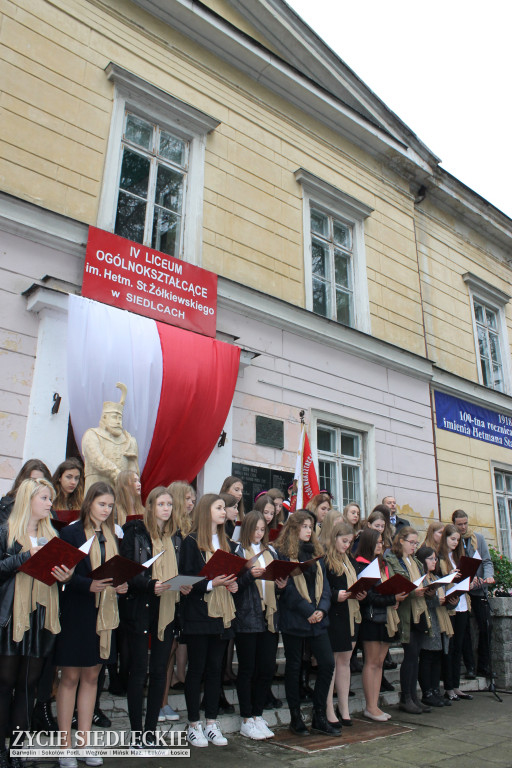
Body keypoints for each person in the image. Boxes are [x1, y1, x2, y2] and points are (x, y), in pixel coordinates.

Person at [0, 478, 72, 768]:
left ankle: (17, 750)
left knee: (29, 686)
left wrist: (64, 577)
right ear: (29, 499)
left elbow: (55, 575)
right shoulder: (6, 532)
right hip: (10, 617)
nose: (49, 504)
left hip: (41, 615)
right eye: (44, 498)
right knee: (4, 683)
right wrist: (25, 557)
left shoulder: (52, 535)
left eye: (50, 499)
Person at [55, 482, 128, 768]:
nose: (106, 510)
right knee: (70, 677)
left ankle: (84, 742)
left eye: (110, 505)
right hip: (78, 611)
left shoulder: (112, 535)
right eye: (102, 504)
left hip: (105, 613)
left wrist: (122, 585)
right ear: (89, 504)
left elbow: (117, 570)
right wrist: (89, 585)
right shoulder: (71, 532)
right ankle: (65, 746)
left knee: (93, 678)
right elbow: (63, 574)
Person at [120, 487, 192, 746]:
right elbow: (128, 571)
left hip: (168, 607)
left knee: (160, 671)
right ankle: (136, 732)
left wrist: (182, 585)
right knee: (139, 671)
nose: (166, 508)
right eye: (161, 503)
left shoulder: (176, 538)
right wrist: (150, 585)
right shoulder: (135, 532)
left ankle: (150, 732)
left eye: (170, 504)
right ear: (150, 506)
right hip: (141, 607)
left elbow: (181, 569)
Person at [179, 493, 238, 748]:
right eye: (219, 507)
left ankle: (211, 722)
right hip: (198, 614)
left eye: (224, 508)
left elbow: (233, 572)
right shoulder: (191, 542)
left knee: (215, 669)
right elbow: (185, 579)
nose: (224, 512)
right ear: (206, 511)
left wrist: (233, 584)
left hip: (221, 613)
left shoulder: (226, 542)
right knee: (197, 669)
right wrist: (213, 583)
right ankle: (193, 724)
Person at [274, 511, 338, 737]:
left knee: (327, 663)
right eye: (304, 526)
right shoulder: (284, 554)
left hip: (317, 618)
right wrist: (308, 610)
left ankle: (320, 715)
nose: (309, 530)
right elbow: (286, 589)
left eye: (311, 526)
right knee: (293, 667)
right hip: (295, 618)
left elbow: (326, 587)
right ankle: (295, 717)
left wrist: (321, 609)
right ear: (293, 529)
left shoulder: (317, 553)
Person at [233, 510, 285, 740]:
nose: (259, 533)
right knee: (247, 669)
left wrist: (282, 583)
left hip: (269, 615)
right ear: (246, 529)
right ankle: (246, 718)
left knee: (266, 668)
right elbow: (233, 587)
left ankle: (257, 714)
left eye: (263, 529)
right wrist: (249, 575)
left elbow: (276, 577)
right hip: (247, 615)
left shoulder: (271, 550)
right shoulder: (238, 551)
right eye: (255, 529)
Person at [356, 528, 402, 721]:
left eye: (382, 542)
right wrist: (392, 598)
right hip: (371, 618)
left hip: (385, 618)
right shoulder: (362, 565)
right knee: (371, 662)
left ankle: (375, 704)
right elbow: (368, 598)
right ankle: (370, 706)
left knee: (379, 663)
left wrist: (395, 596)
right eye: (376, 542)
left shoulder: (382, 564)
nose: (380, 545)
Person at [324, 522, 365, 727]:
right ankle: (329, 707)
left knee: (346, 661)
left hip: (351, 613)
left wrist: (360, 591)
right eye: (343, 541)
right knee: (332, 662)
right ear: (334, 538)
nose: (347, 545)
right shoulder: (326, 559)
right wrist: (334, 595)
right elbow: (322, 589)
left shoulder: (349, 559)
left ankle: (344, 707)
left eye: (350, 541)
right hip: (335, 615)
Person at [386, 526, 431, 714]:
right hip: (406, 612)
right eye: (411, 542)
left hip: (419, 611)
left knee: (416, 656)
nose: (414, 546)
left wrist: (429, 588)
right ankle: (406, 697)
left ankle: (414, 696)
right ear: (401, 541)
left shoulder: (415, 561)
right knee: (410, 655)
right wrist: (414, 590)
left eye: (416, 543)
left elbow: (423, 579)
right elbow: (399, 580)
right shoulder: (393, 559)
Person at [452, 509, 494, 678]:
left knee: (485, 626)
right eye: (459, 524)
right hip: (463, 590)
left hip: (479, 589)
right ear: (454, 524)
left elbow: (486, 561)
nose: (463, 527)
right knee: (465, 630)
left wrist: (488, 576)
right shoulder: (453, 540)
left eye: (465, 523)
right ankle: (470, 667)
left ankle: (484, 666)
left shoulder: (478, 538)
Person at [416, 545, 454, 708]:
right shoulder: (422, 578)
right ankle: (427, 692)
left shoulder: (436, 577)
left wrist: (453, 601)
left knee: (438, 656)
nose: (434, 561)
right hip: (428, 620)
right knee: (427, 657)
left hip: (440, 620)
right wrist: (433, 599)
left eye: (435, 558)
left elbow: (445, 600)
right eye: (431, 558)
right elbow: (421, 600)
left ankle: (435, 690)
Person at [81, 383, 139, 491]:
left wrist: (131, 482)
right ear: (104, 417)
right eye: (114, 417)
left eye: (120, 418)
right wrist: (116, 473)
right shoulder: (92, 435)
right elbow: (96, 458)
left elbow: (132, 468)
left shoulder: (129, 440)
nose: (118, 422)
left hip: (121, 492)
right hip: (96, 491)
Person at [438, 524, 473, 702]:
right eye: (452, 539)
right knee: (449, 648)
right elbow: (439, 580)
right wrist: (450, 575)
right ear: (445, 539)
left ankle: (456, 686)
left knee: (458, 647)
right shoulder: (441, 558)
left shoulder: (460, 557)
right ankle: (448, 687)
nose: (455, 543)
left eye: (457, 540)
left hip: (462, 604)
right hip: (449, 606)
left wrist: (470, 582)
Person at [0, 459, 52, 525]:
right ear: (22, 480)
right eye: (33, 480)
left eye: (41, 481)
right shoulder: (8, 506)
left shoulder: (48, 506)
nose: (37, 484)